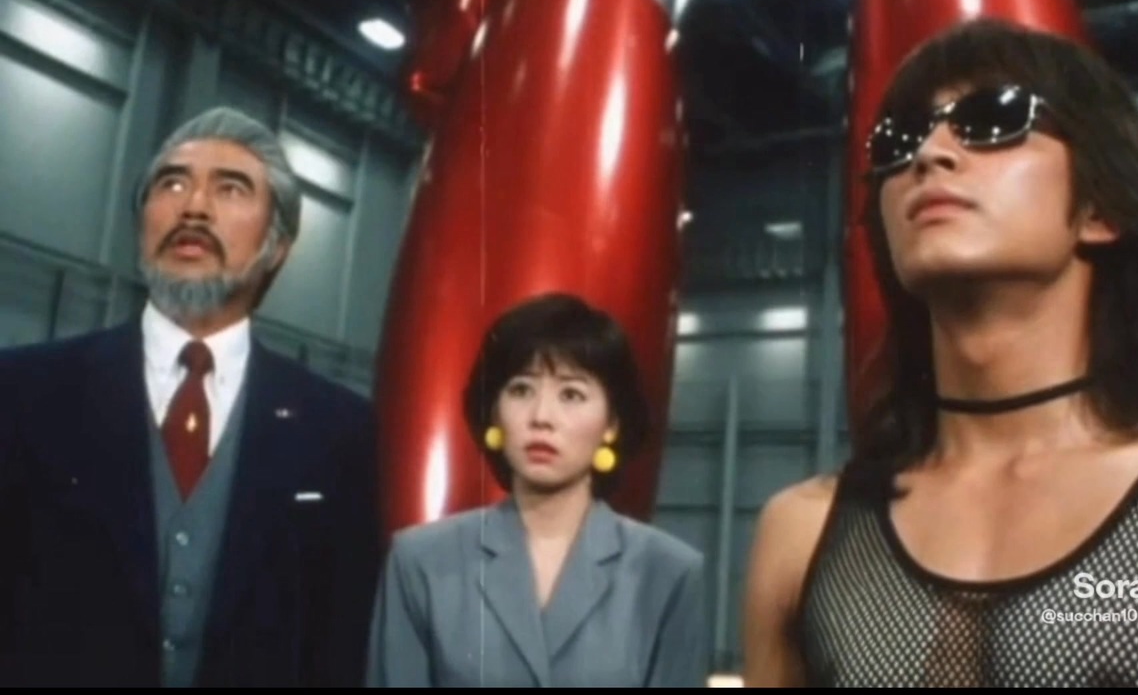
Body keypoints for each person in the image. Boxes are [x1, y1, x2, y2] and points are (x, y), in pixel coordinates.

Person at [742, 18, 1138, 688]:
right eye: (898, 140)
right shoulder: (803, 534)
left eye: (992, 119)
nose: (929, 153)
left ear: (1102, 208)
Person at [0, 107, 383, 687]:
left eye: (231, 189)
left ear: (278, 246)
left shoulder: (341, 432)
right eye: (172, 183)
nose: (194, 207)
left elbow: (341, 642)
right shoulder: (23, 393)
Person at [365, 292, 708, 688]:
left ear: (611, 424)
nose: (542, 417)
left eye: (571, 394)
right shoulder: (420, 561)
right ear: (494, 412)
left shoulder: (668, 573)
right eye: (521, 390)